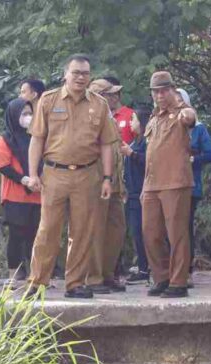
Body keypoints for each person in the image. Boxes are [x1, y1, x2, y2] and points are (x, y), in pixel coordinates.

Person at [25, 54, 118, 299]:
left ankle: (75, 283)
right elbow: (37, 139)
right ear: (65, 74)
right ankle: (37, 282)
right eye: (76, 72)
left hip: (87, 174)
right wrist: (32, 174)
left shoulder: (99, 104)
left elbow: (107, 144)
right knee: (48, 230)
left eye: (85, 73)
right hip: (54, 174)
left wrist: (107, 178)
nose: (80, 77)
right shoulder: (48, 100)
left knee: (82, 232)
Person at [141, 71, 198, 298]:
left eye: (164, 90)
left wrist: (182, 107)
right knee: (150, 233)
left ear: (173, 90)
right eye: (156, 91)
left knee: (177, 234)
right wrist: (144, 187)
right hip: (151, 184)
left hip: (175, 183)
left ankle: (178, 282)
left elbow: (189, 117)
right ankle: (162, 277)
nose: (160, 95)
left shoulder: (182, 111)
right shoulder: (154, 117)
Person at [85, 79, 127, 294]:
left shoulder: (110, 116)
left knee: (116, 230)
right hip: (97, 181)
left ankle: (107, 274)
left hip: (115, 183)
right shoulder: (90, 118)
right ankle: (93, 277)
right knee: (96, 230)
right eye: (109, 94)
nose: (114, 97)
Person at [0, 98, 41, 282]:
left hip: (37, 195)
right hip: (15, 196)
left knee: (35, 237)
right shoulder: (5, 139)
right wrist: (24, 179)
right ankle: (13, 275)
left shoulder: (37, 137)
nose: (28, 117)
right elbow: (3, 166)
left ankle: (35, 276)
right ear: (14, 115)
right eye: (24, 114)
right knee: (16, 236)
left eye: (30, 113)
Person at [176, 88, 211, 287]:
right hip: (168, 185)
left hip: (191, 185)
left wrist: (192, 159)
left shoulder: (198, 129)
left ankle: (187, 270)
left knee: (185, 227)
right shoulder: (164, 124)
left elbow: (209, 154)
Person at [122, 106, 151, 284]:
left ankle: (145, 268)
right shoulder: (134, 141)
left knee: (143, 231)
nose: (131, 122)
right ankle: (142, 265)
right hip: (131, 192)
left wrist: (132, 154)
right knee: (136, 231)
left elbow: (149, 162)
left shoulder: (146, 142)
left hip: (142, 191)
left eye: (133, 119)